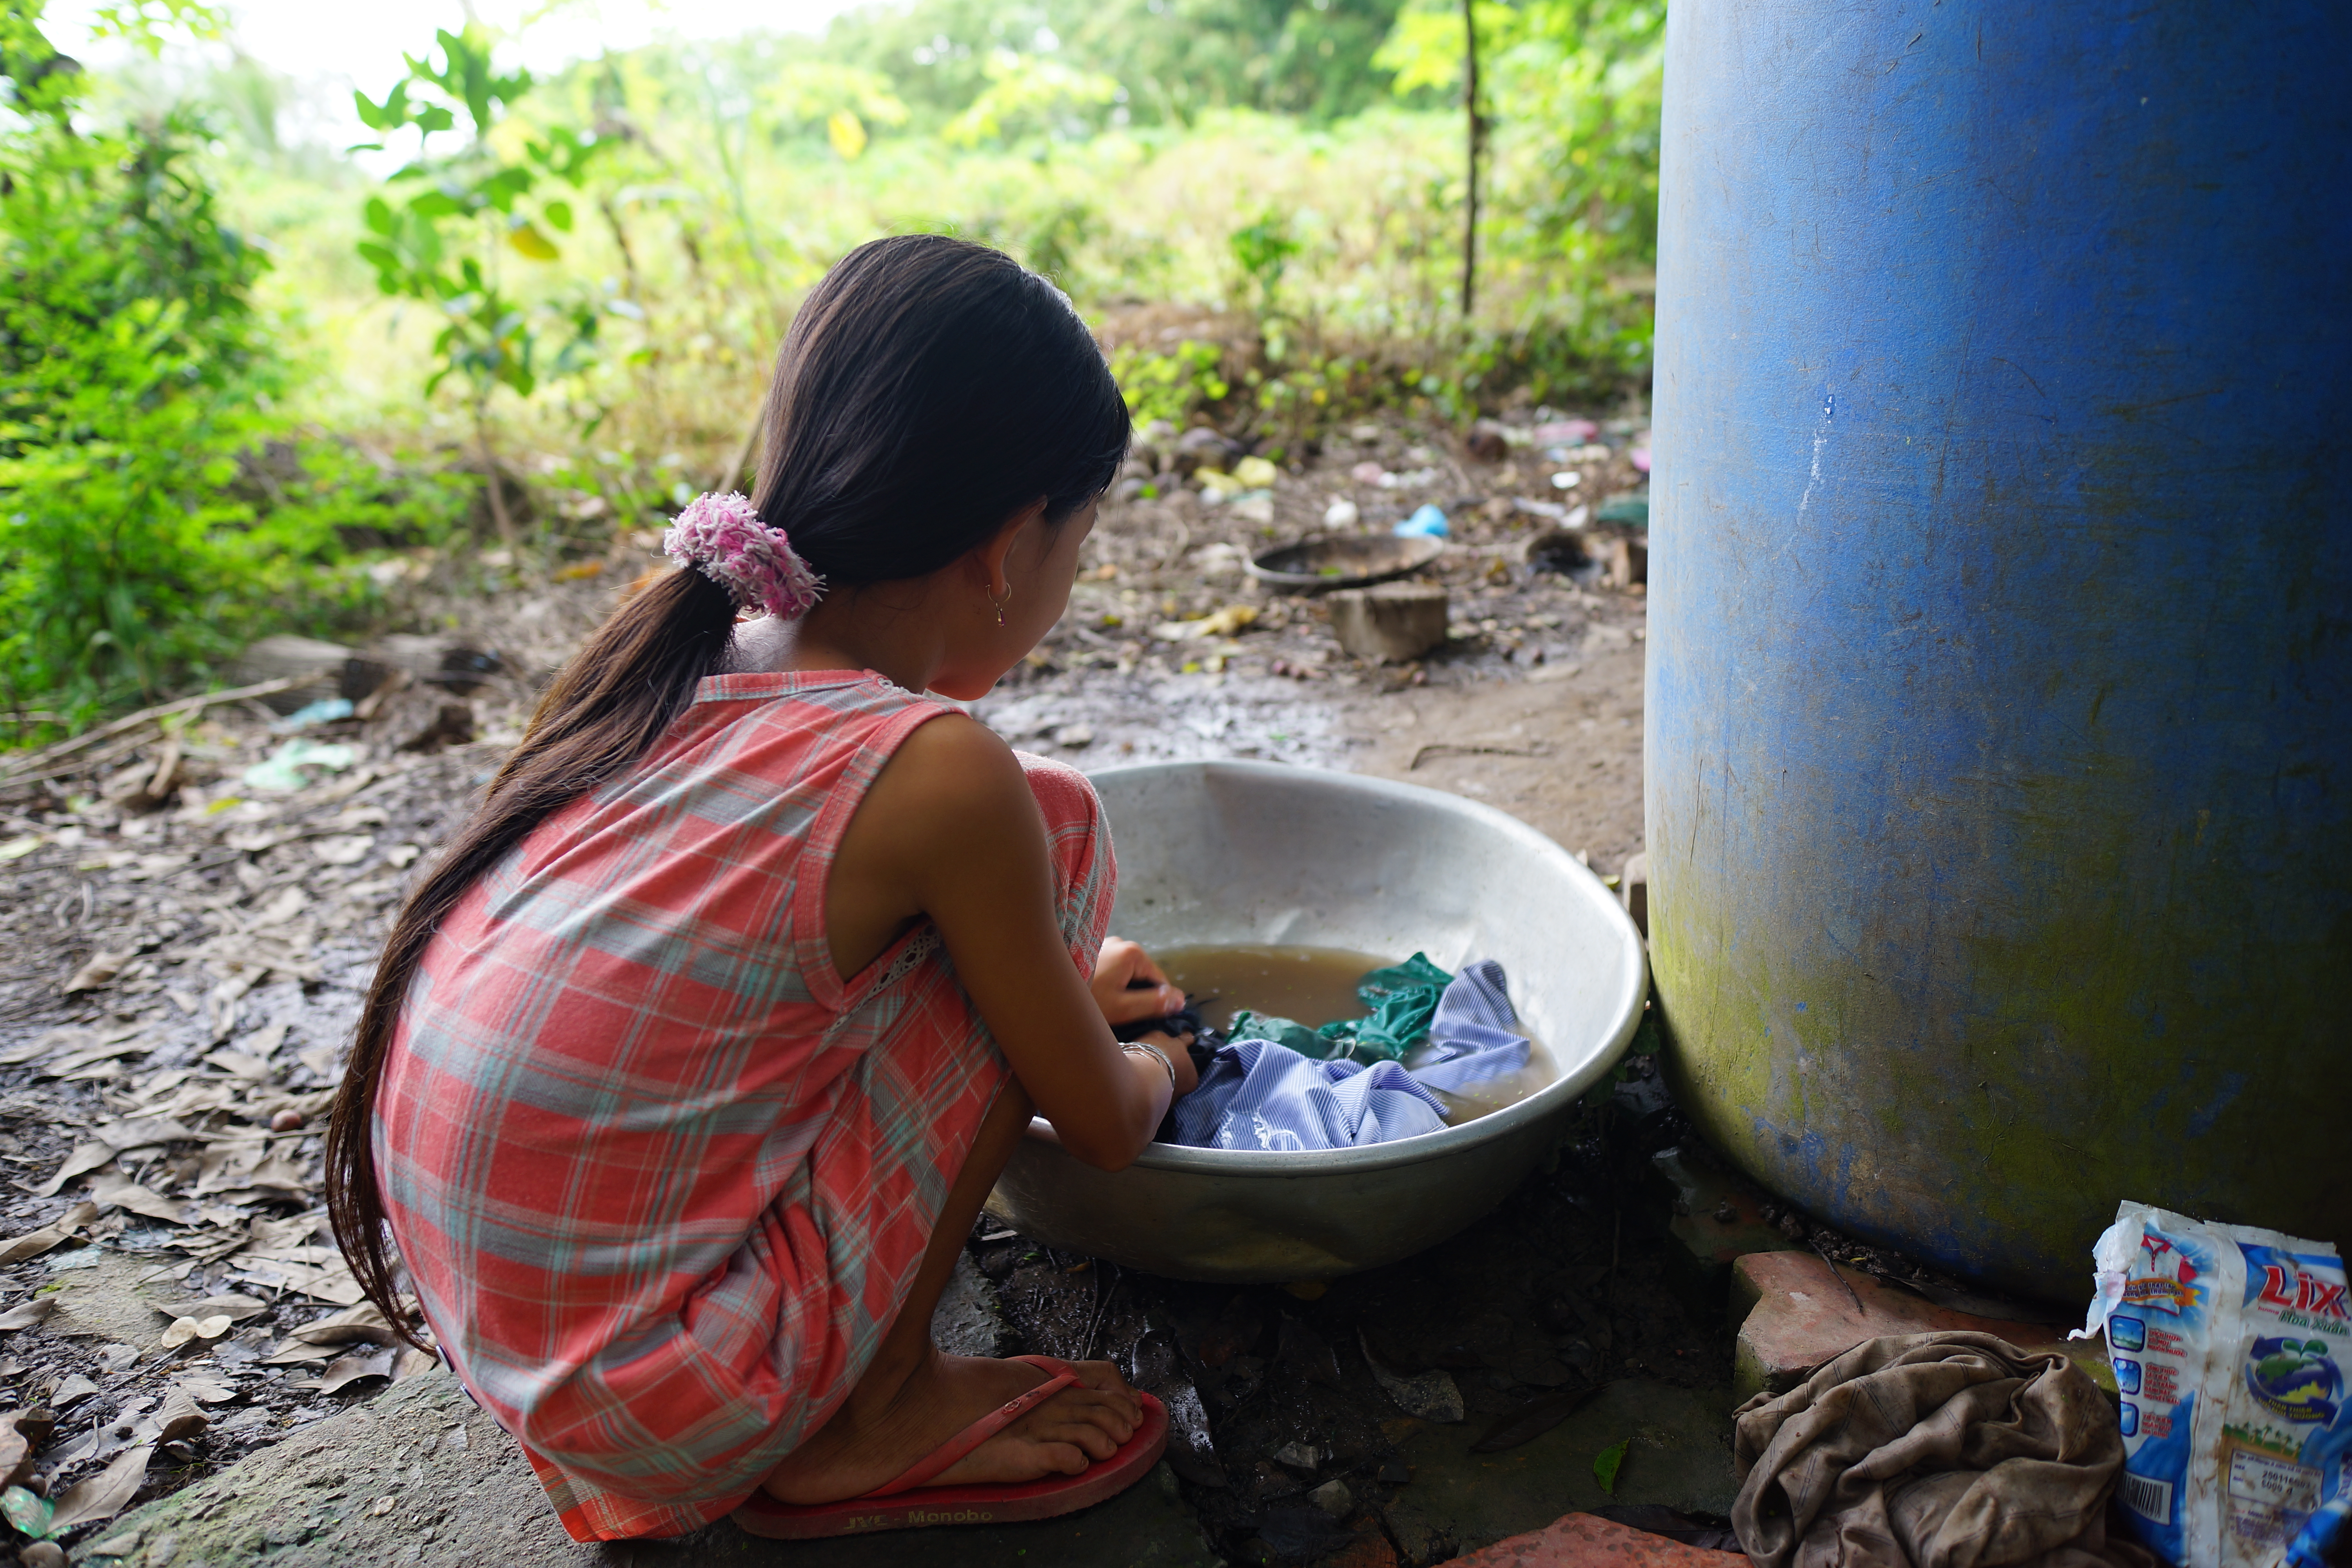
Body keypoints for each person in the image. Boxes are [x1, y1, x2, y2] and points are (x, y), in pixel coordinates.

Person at [323, 234, 1201, 1543]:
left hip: (518, 1343)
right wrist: (1166, 1062)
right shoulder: (942, 776)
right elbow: (1111, 1129)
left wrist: (1060, 990)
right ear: (1014, 545)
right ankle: (876, 1411)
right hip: (669, 1402)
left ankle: (817, 1381)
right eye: (1079, 543)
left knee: (1024, 879)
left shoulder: (680, 657)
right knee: (1060, 824)